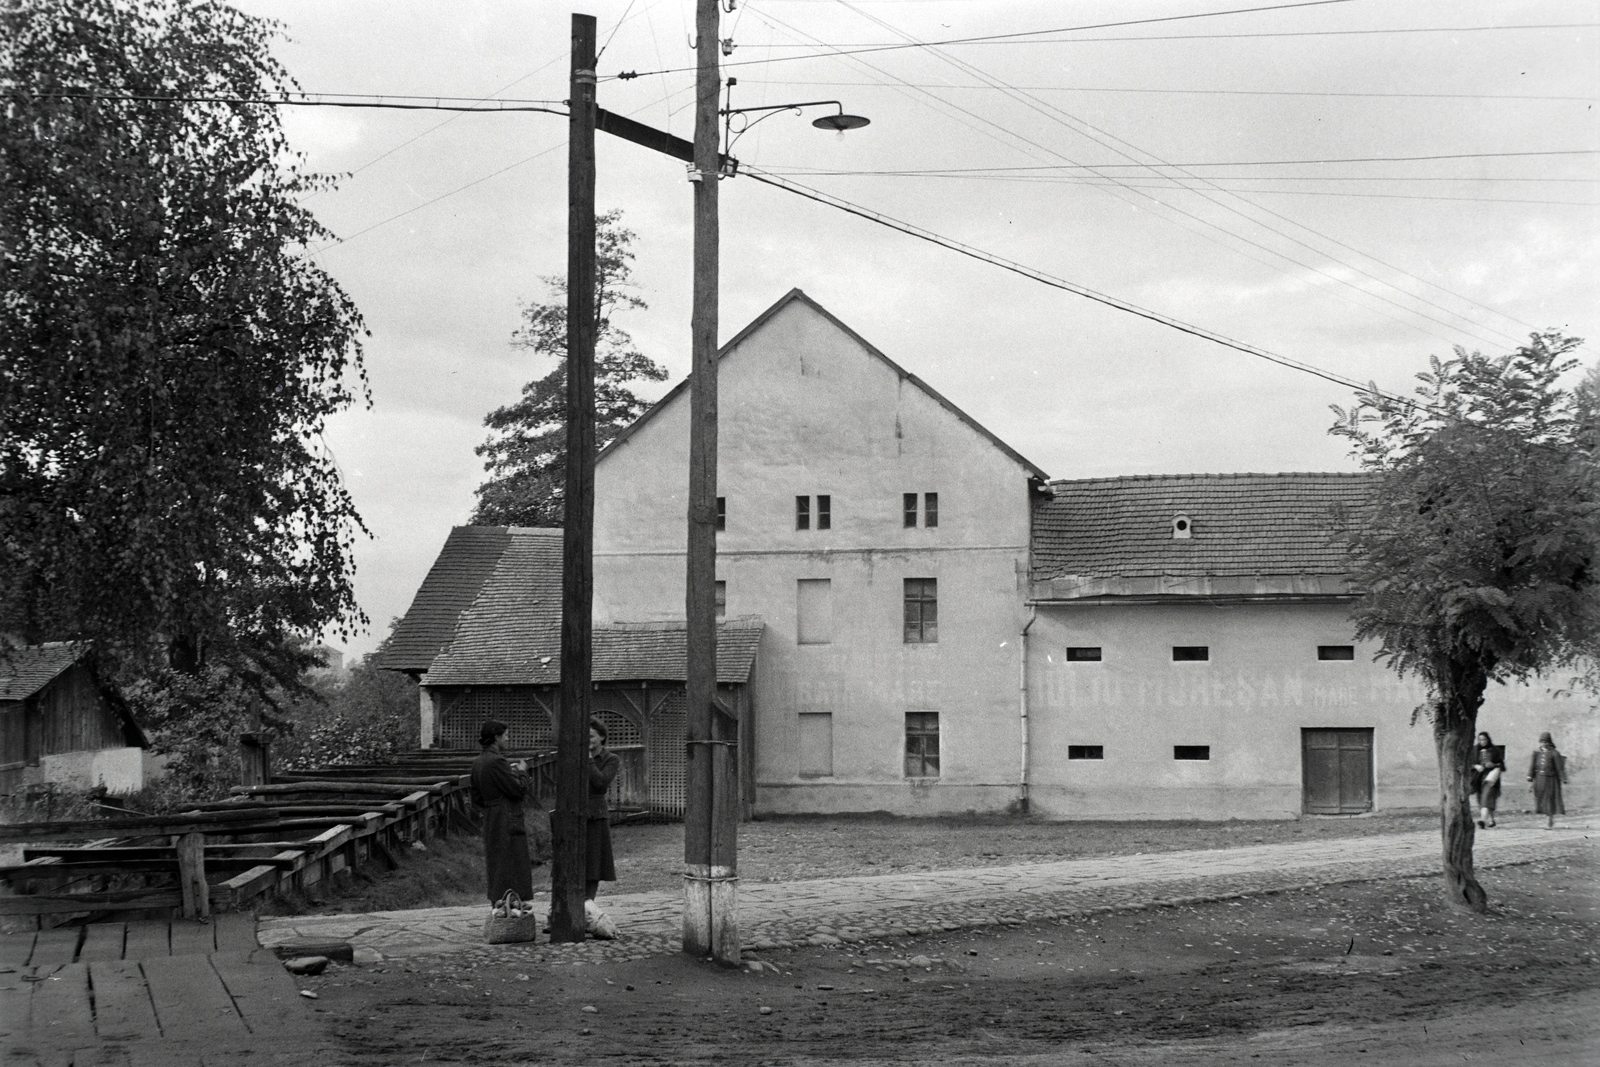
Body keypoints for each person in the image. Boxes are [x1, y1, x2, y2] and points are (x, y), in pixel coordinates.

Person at [469, 719, 534, 904]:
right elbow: (518, 790)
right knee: (512, 862)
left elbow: (476, 797)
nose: (508, 738)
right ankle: (511, 906)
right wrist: (522, 772)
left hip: (491, 816)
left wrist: (492, 804)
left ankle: (499, 905)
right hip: (507, 816)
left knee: (496, 862)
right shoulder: (497, 761)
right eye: (505, 735)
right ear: (496, 737)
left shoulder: (478, 762)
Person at [586, 719, 621, 906]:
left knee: (594, 864)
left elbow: (601, 783)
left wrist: (589, 761)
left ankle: (587, 906)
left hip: (596, 812)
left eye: (591, 736)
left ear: (602, 737)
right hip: (575, 811)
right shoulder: (576, 756)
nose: (587, 739)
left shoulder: (611, 759)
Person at [1528, 732, 1568, 830]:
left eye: (1545, 741)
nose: (1543, 744)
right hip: (1539, 780)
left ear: (1549, 742)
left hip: (1551, 780)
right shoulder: (1536, 754)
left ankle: (1549, 820)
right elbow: (1532, 766)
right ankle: (1547, 817)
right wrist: (1530, 776)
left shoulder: (1554, 753)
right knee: (1541, 799)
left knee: (1549, 799)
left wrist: (1563, 778)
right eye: (1541, 742)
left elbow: (1559, 768)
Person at [1470, 731, 1506, 829]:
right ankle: (1491, 819)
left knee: (1486, 797)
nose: (1482, 741)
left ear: (1488, 739)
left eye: (1484, 739)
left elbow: (1502, 765)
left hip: (1490, 778)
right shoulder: (1475, 750)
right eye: (1480, 739)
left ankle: (1482, 820)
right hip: (1478, 778)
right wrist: (1476, 766)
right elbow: (1468, 764)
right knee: (1482, 799)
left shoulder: (1494, 750)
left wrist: (1493, 765)